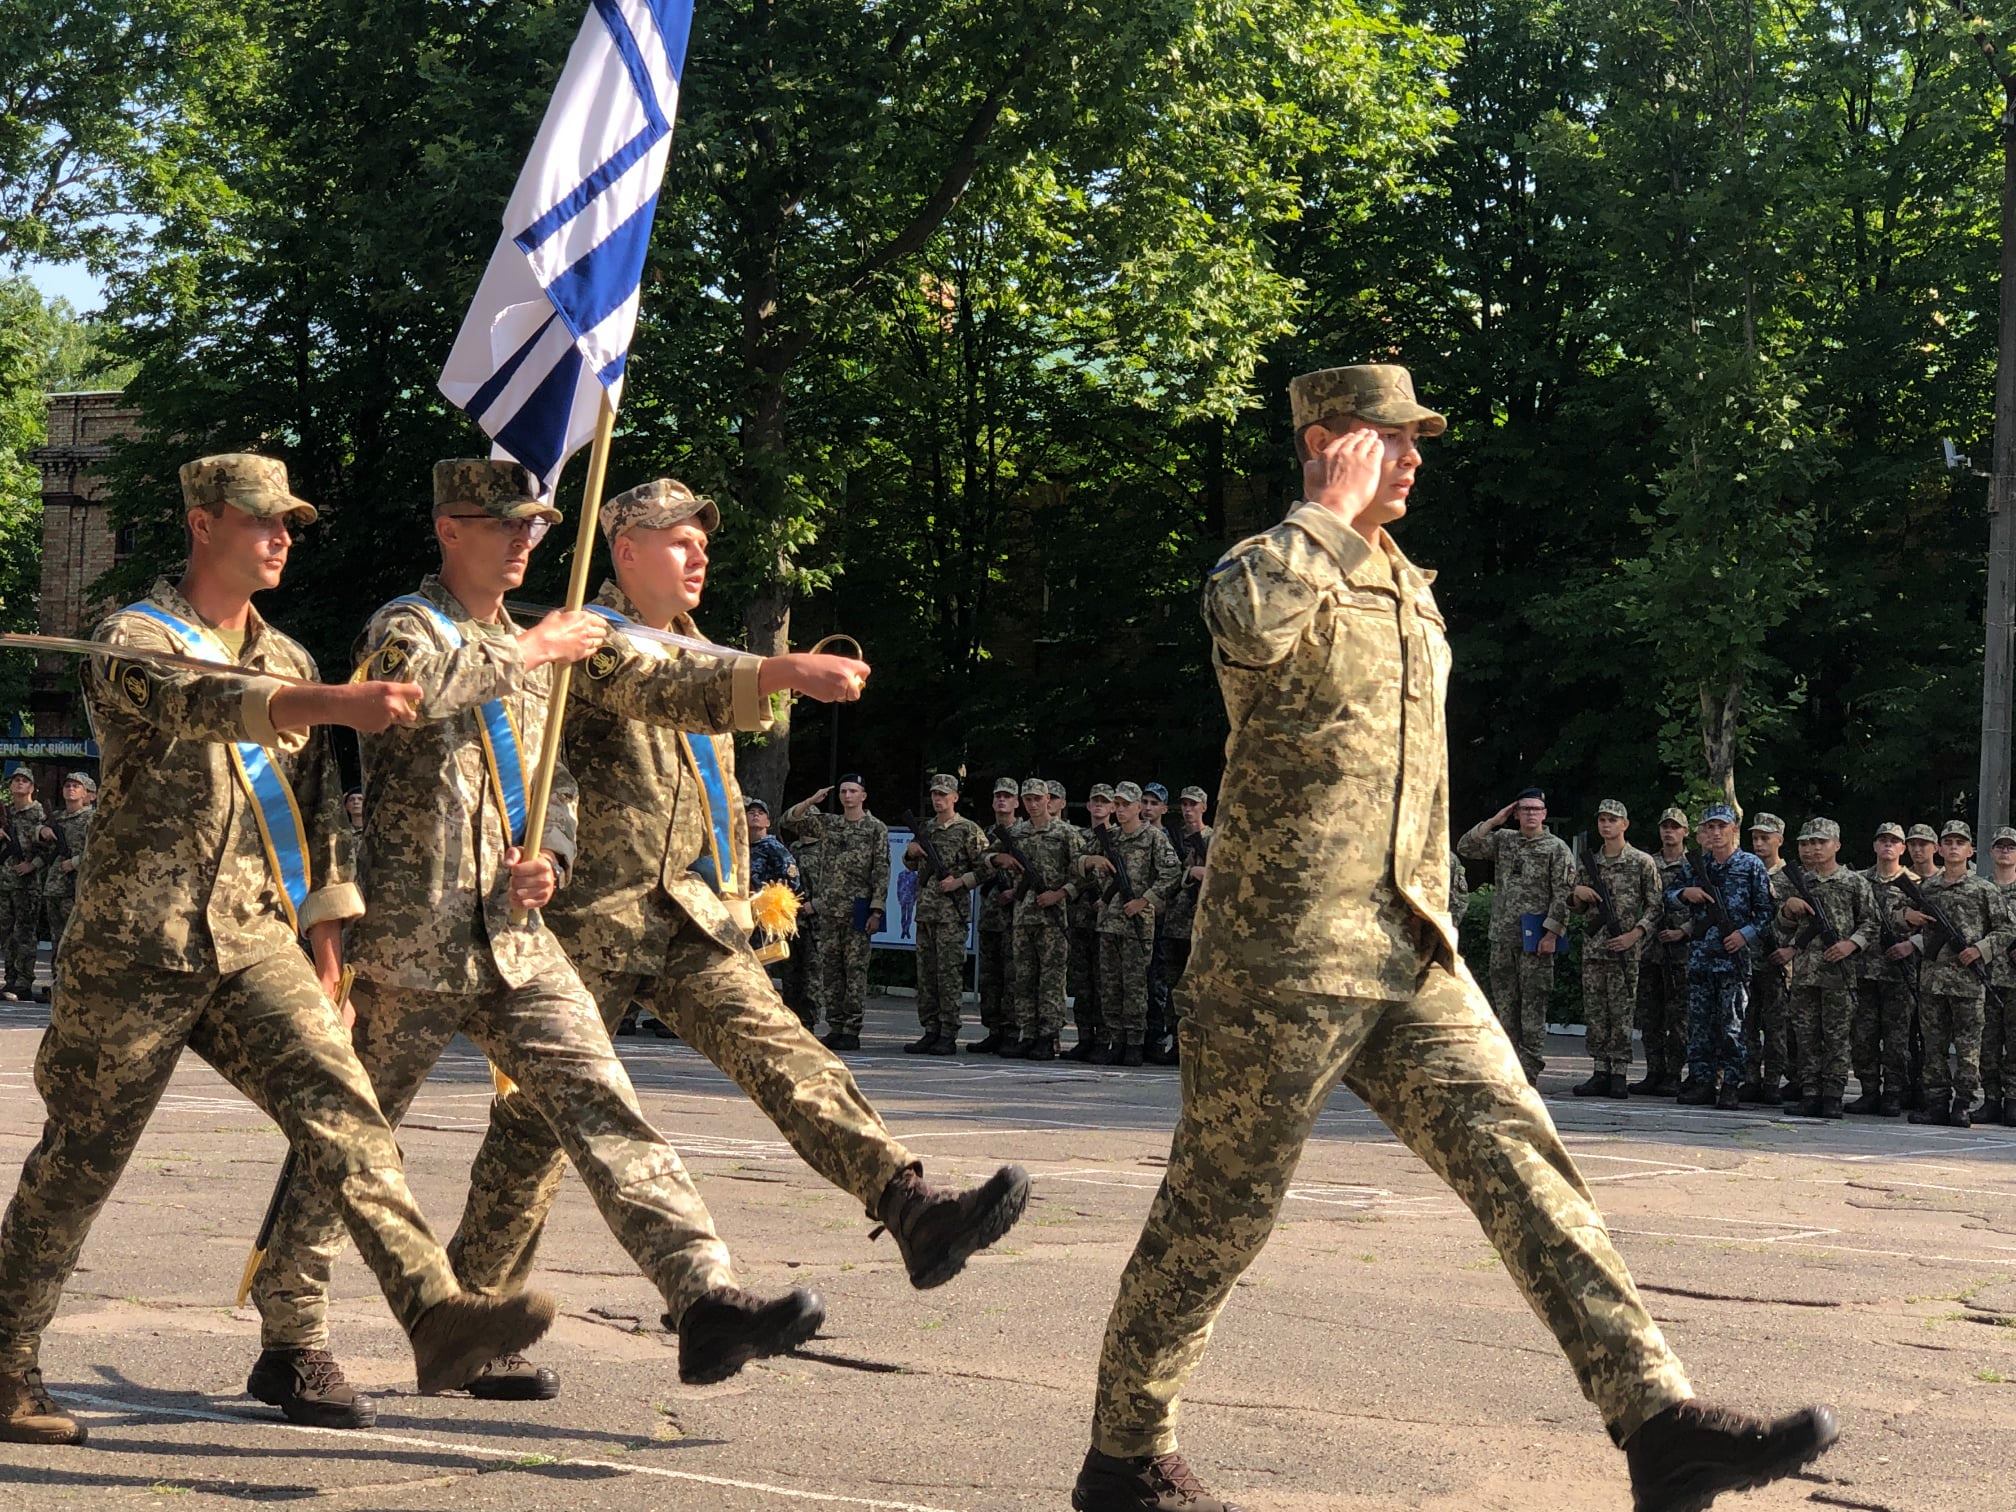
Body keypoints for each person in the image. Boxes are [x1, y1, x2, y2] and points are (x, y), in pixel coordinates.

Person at [1069, 364, 1835, 1512]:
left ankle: (1657, 1419)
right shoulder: (1280, 563)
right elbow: (1243, 627)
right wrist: (1323, 509)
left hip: (1408, 943)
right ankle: (1125, 1456)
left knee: (1525, 1160)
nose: (1417, 458)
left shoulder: (1408, 585)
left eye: (1419, 439)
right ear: (1333, 445)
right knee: (1217, 1213)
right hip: (1280, 956)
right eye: (1394, 438)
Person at [0, 453, 554, 1445]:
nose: (283, 537)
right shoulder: (133, 638)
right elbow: (201, 705)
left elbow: (317, 827)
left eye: (291, 521)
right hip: (139, 948)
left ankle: (435, 1314)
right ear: (204, 523)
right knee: (80, 1159)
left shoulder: (294, 658)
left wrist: (329, 955)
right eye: (263, 520)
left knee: (347, 1112)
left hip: (255, 941)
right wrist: (329, 707)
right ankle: (3, 1365)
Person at [248, 458, 824, 1410]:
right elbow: (415, 695)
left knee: (602, 1104)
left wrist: (548, 854)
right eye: (505, 524)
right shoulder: (407, 626)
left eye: (535, 528)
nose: (524, 542)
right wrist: (536, 651)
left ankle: (703, 1295)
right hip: (412, 946)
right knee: (351, 1144)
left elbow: (549, 788)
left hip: (516, 940)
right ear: (450, 530)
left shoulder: (531, 644)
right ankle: (291, 1333)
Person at [442, 478, 1028, 1390]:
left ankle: (910, 1204)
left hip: (687, 917)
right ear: (624, 550)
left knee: (784, 1051)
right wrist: (783, 671)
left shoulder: (700, 648)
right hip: (590, 921)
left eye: (704, 541)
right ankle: (473, 1320)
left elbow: (706, 777)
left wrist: (740, 896)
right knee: (535, 1132)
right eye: (679, 540)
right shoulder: (589, 639)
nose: (700, 553)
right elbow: (660, 696)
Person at [1457, 788, 1573, 1081]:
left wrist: (1551, 934)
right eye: (1525, 809)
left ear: (1544, 814)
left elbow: (1563, 894)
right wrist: (1494, 821)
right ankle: (1507, 1067)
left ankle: (1529, 1069)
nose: (1531, 814)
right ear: (1516, 813)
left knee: (1532, 1006)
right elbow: (1466, 847)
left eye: (1536, 809)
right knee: (1505, 1006)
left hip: (1535, 941)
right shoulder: (1505, 841)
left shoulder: (1556, 848)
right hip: (1503, 937)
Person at [1898, 821, 2008, 1128]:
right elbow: (1896, 915)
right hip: (1932, 980)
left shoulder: (1984, 890)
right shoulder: (1926, 887)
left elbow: (2007, 928)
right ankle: (1936, 1103)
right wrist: (1908, 916)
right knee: (1933, 1044)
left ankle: (1962, 1103)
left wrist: (1982, 949)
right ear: (1940, 849)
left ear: (1970, 850)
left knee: (1968, 1046)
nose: (1954, 847)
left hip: (1968, 982)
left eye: (1960, 842)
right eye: (1948, 842)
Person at [1672, 804, 1773, 1108]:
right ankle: (1702, 1080)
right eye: (1709, 828)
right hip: (1701, 957)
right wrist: (1683, 894)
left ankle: (1732, 1082)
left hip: (1733, 959)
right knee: (1699, 1025)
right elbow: (1669, 896)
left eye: (1721, 827)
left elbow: (1767, 913)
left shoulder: (1750, 865)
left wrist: (1745, 934)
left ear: (1733, 830)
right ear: (1702, 833)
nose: (1715, 833)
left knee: (1732, 1024)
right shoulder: (1694, 865)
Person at [1772, 819, 1874, 1120]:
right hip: (1805, 971)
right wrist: (1788, 910)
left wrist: (1851, 944)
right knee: (1806, 1036)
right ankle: (1810, 1092)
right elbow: (1780, 928)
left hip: (1839, 974)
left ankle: (1833, 1094)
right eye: (1807, 843)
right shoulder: (1794, 882)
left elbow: (1871, 923)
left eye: (1821, 842)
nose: (1814, 848)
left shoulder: (1854, 882)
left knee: (1836, 1036)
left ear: (1836, 845)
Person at [1076, 781, 1181, 1065]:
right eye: (1117, 805)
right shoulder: (1108, 837)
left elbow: (1171, 873)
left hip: (1136, 923)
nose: (1121, 810)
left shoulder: (1154, 838)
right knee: (1110, 986)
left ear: (1137, 807)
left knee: (1134, 986)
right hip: (1109, 923)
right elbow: (1077, 859)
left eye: (1126, 805)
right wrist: (1091, 860)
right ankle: (1116, 1040)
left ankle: (1134, 1042)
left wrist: (1145, 901)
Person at [781, 776, 889, 1052]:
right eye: (843, 791)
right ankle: (835, 1025)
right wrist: (811, 801)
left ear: (863, 795)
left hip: (858, 907)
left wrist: (877, 910)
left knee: (854, 971)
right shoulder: (830, 824)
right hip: (829, 909)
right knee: (830, 971)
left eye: (853, 791)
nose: (847, 796)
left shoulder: (875, 829)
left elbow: (881, 870)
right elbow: (789, 821)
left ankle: (851, 1028)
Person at [1568, 800, 1661, 1099]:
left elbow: (1656, 905)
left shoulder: (1641, 862)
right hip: (1595, 949)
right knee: (1596, 1011)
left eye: (1612, 820)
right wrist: (1576, 894)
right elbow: (1576, 908)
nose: (1606, 825)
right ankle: (1600, 1070)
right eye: (1602, 820)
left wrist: (1636, 933)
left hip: (1625, 949)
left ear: (1625, 824)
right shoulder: (1589, 863)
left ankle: (1619, 1071)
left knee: (1622, 1011)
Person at [991, 777, 1082, 1059]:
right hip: (1023, 915)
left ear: (1047, 800)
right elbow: (985, 857)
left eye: (1037, 799)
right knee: (1024, 978)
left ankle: (1048, 1035)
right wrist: (998, 859)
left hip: (1052, 918)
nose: (1032, 804)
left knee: (1051, 979)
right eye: (1027, 799)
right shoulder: (1016, 834)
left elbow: (1081, 874)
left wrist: (1060, 894)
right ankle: (1027, 1032)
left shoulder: (1065, 833)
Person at [902, 774, 986, 1054]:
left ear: (955, 797)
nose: (938, 800)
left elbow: (986, 867)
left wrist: (960, 882)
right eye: (935, 795)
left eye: (943, 795)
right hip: (926, 912)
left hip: (952, 914)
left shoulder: (968, 830)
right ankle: (930, 1029)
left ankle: (948, 1032)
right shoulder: (926, 828)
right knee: (926, 975)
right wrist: (912, 851)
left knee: (948, 975)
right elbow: (911, 864)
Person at [1853, 823, 1918, 1117]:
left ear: (1903, 848)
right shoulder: (1858, 881)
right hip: (1864, 970)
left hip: (1898, 973)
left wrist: (1912, 943)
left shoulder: (1916, 882)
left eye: (1894, 841)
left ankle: (1893, 1092)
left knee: (1897, 1039)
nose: (1888, 846)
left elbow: (1931, 924)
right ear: (1875, 846)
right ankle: (1868, 1090)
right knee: (1863, 1036)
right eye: (1883, 841)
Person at [1147, 785, 1212, 1065]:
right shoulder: (1173, 838)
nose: (1188, 810)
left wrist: (1205, 873)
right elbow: (1167, 873)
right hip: (1175, 922)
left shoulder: (1214, 838)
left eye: (1193, 805)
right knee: (1175, 986)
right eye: (1184, 804)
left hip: (1201, 925)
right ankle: (1176, 1041)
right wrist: (1189, 873)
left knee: (1200, 987)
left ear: (1203, 808)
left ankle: (1201, 1046)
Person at [1632, 808, 1694, 1095]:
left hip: (1681, 952)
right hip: (1650, 950)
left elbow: (1707, 907)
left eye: (1675, 827)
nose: (1669, 832)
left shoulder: (1693, 865)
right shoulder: (1648, 863)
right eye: (1665, 827)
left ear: (1685, 832)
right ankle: (1653, 1070)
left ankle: (1673, 1073)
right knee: (1649, 1015)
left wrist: (1685, 930)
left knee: (1678, 1016)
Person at [1740, 814, 1795, 1104]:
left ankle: (1773, 1080)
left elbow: (1807, 921)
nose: (1759, 844)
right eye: (1755, 838)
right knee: (1747, 1022)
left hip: (1777, 961)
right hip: (1748, 959)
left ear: (1779, 840)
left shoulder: (1792, 877)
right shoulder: (1745, 871)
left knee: (1776, 1026)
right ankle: (1751, 1078)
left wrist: (1792, 949)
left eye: (1766, 838)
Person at [972, 777, 1023, 1053]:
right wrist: (993, 859)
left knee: (1013, 976)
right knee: (989, 978)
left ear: (1017, 802)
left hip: (1016, 916)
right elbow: (978, 863)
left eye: (1007, 796)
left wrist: (1014, 892)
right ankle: (994, 1029)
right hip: (990, 914)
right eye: (998, 796)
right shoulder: (987, 834)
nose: (1002, 801)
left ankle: (1013, 1031)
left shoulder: (1025, 832)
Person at [1064, 783, 1114, 1059]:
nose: (1098, 806)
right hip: (1080, 917)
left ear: (1113, 807)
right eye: (1095, 800)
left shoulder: (1118, 838)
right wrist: (1087, 862)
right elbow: (1070, 867)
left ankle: (1104, 1040)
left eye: (1104, 802)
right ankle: (1084, 1036)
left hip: (1108, 921)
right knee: (1082, 982)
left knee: (1104, 982)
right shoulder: (1079, 837)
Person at [35, 772, 95, 991]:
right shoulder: (58, 817)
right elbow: (37, 831)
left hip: (77, 888)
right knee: (57, 939)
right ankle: (57, 983)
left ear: (89, 795)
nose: (71, 788)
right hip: (55, 887)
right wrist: (42, 830)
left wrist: (76, 862)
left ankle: (76, 986)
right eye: (68, 785)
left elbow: (99, 849)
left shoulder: (92, 820)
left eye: (76, 786)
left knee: (76, 940)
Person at [0, 770, 45, 1000]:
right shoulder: (7, 814)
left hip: (27, 884)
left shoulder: (39, 814)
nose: (19, 783)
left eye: (25, 780)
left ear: (32, 787)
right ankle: (9, 981)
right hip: (5, 882)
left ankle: (23, 982)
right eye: (16, 780)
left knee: (24, 934)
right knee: (7, 934)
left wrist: (32, 865)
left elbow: (50, 848)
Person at [744, 797, 804, 973]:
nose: (755, 815)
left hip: (764, 918)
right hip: (742, 912)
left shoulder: (774, 847)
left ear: (767, 822)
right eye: (751, 812)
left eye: (760, 813)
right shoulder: (741, 847)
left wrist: (770, 901)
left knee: (761, 966)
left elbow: (792, 880)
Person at [1986, 828, 2016, 1125]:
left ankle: (2014, 1100)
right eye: (2000, 847)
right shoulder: (1981, 889)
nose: (2005, 851)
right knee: (1988, 1043)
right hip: (1987, 976)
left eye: (2011, 847)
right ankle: (1992, 1099)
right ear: (1991, 852)